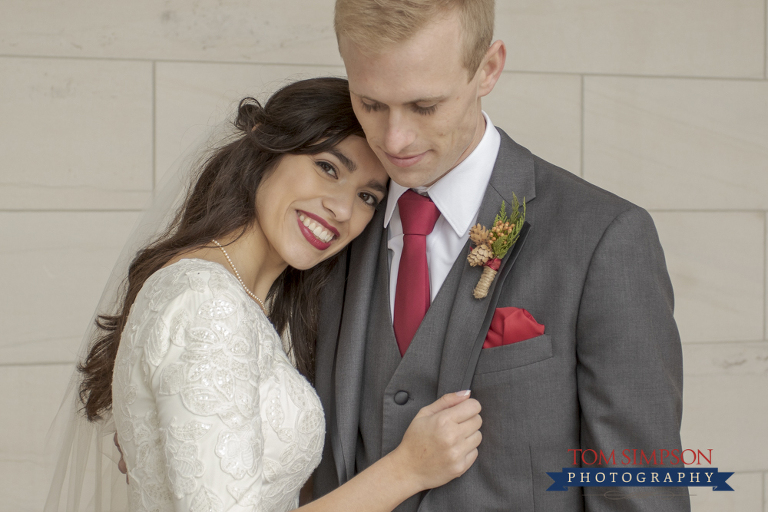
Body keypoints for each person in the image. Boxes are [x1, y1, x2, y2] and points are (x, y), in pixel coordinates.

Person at [311, 1, 690, 511]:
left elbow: (638, 489)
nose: (394, 139)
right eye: (371, 104)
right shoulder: (328, 227)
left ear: (488, 69)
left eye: (425, 106)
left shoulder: (605, 238)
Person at [47, 77, 483, 512]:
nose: (344, 209)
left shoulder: (227, 295)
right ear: (266, 146)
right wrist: (407, 469)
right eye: (329, 168)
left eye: (368, 196)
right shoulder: (208, 306)